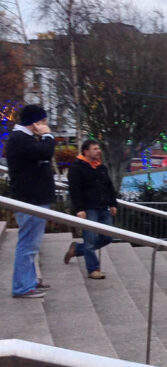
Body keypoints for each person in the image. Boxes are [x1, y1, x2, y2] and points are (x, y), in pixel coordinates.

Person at [5, 104, 55, 298]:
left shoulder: (23, 139)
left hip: (34, 198)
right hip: (31, 199)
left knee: (32, 245)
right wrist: (48, 136)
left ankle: (30, 281)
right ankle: (22, 286)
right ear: (36, 122)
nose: (45, 125)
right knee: (27, 244)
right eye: (43, 121)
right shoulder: (20, 139)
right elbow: (45, 152)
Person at [63, 139, 118, 281]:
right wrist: (79, 209)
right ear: (86, 151)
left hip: (103, 207)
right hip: (88, 208)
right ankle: (93, 269)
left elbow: (109, 187)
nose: (98, 151)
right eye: (95, 149)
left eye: (98, 148)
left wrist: (113, 204)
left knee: (108, 236)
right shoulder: (77, 168)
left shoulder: (101, 168)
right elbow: (74, 190)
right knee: (91, 239)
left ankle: (76, 249)